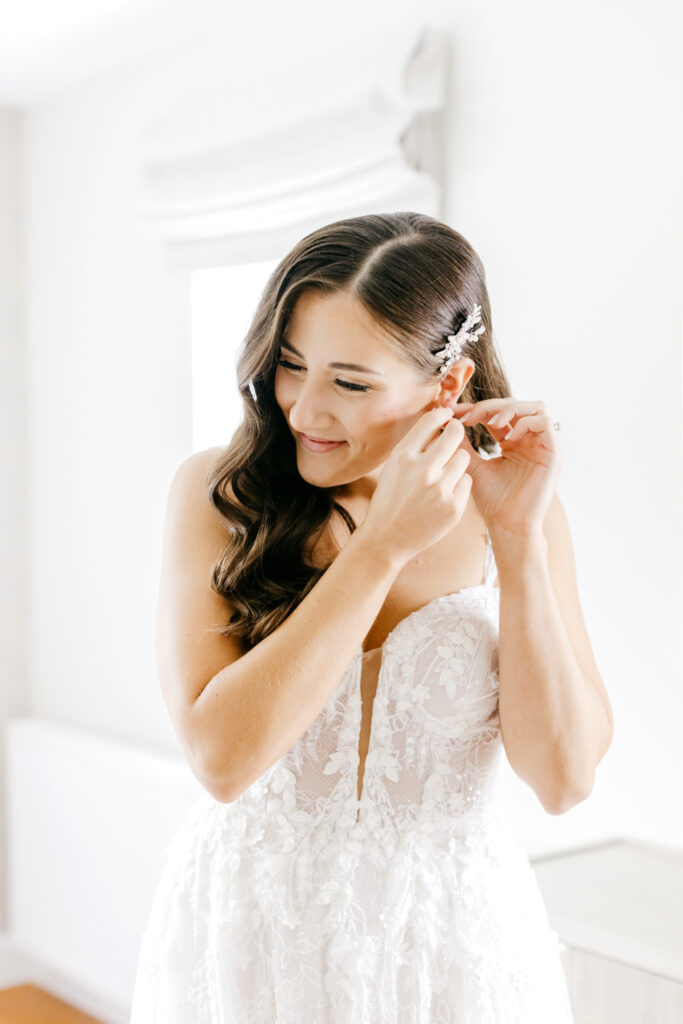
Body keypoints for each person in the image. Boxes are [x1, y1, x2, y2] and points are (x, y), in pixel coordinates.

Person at [129, 211, 613, 1022]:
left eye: (350, 382)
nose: (305, 410)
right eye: (289, 365)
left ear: (446, 386)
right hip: (256, 932)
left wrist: (520, 538)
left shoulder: (518, 515)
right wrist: (378, 549)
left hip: (450, 946)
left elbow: (562, 779)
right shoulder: (220, 495)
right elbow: (220, 760)